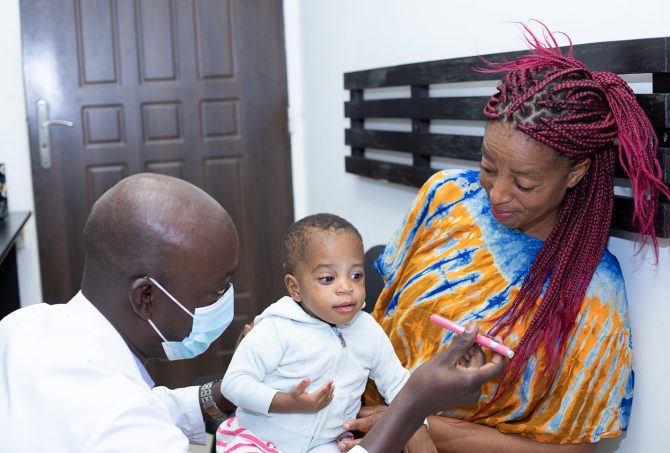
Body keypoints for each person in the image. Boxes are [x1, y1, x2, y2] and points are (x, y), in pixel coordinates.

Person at [341, 23, 670, 453]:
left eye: (525, 183)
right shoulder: (446, 197)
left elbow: (575, 451)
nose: (496, 194)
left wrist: (415, 423)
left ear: (575, 172)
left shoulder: (593, 292)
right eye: (489, 167)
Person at [0, 173, 502, 453]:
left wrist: (234, 392)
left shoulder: (23, 327)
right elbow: (130, 421)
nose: (228, 301)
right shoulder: (131, 436)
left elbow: (148, 406)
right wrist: (414, 404)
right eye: (216, 288)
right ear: (146, 298)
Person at [217, 214, 435, 452]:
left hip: (325, 444)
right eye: (327, 279)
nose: (346, 287)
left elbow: (399, 385)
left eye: (356, 276)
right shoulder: (276, 328)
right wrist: (286, 402)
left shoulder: (369, 331)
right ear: (295, 287)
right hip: (257, 438)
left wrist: (418, 427)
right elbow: (234, 384)